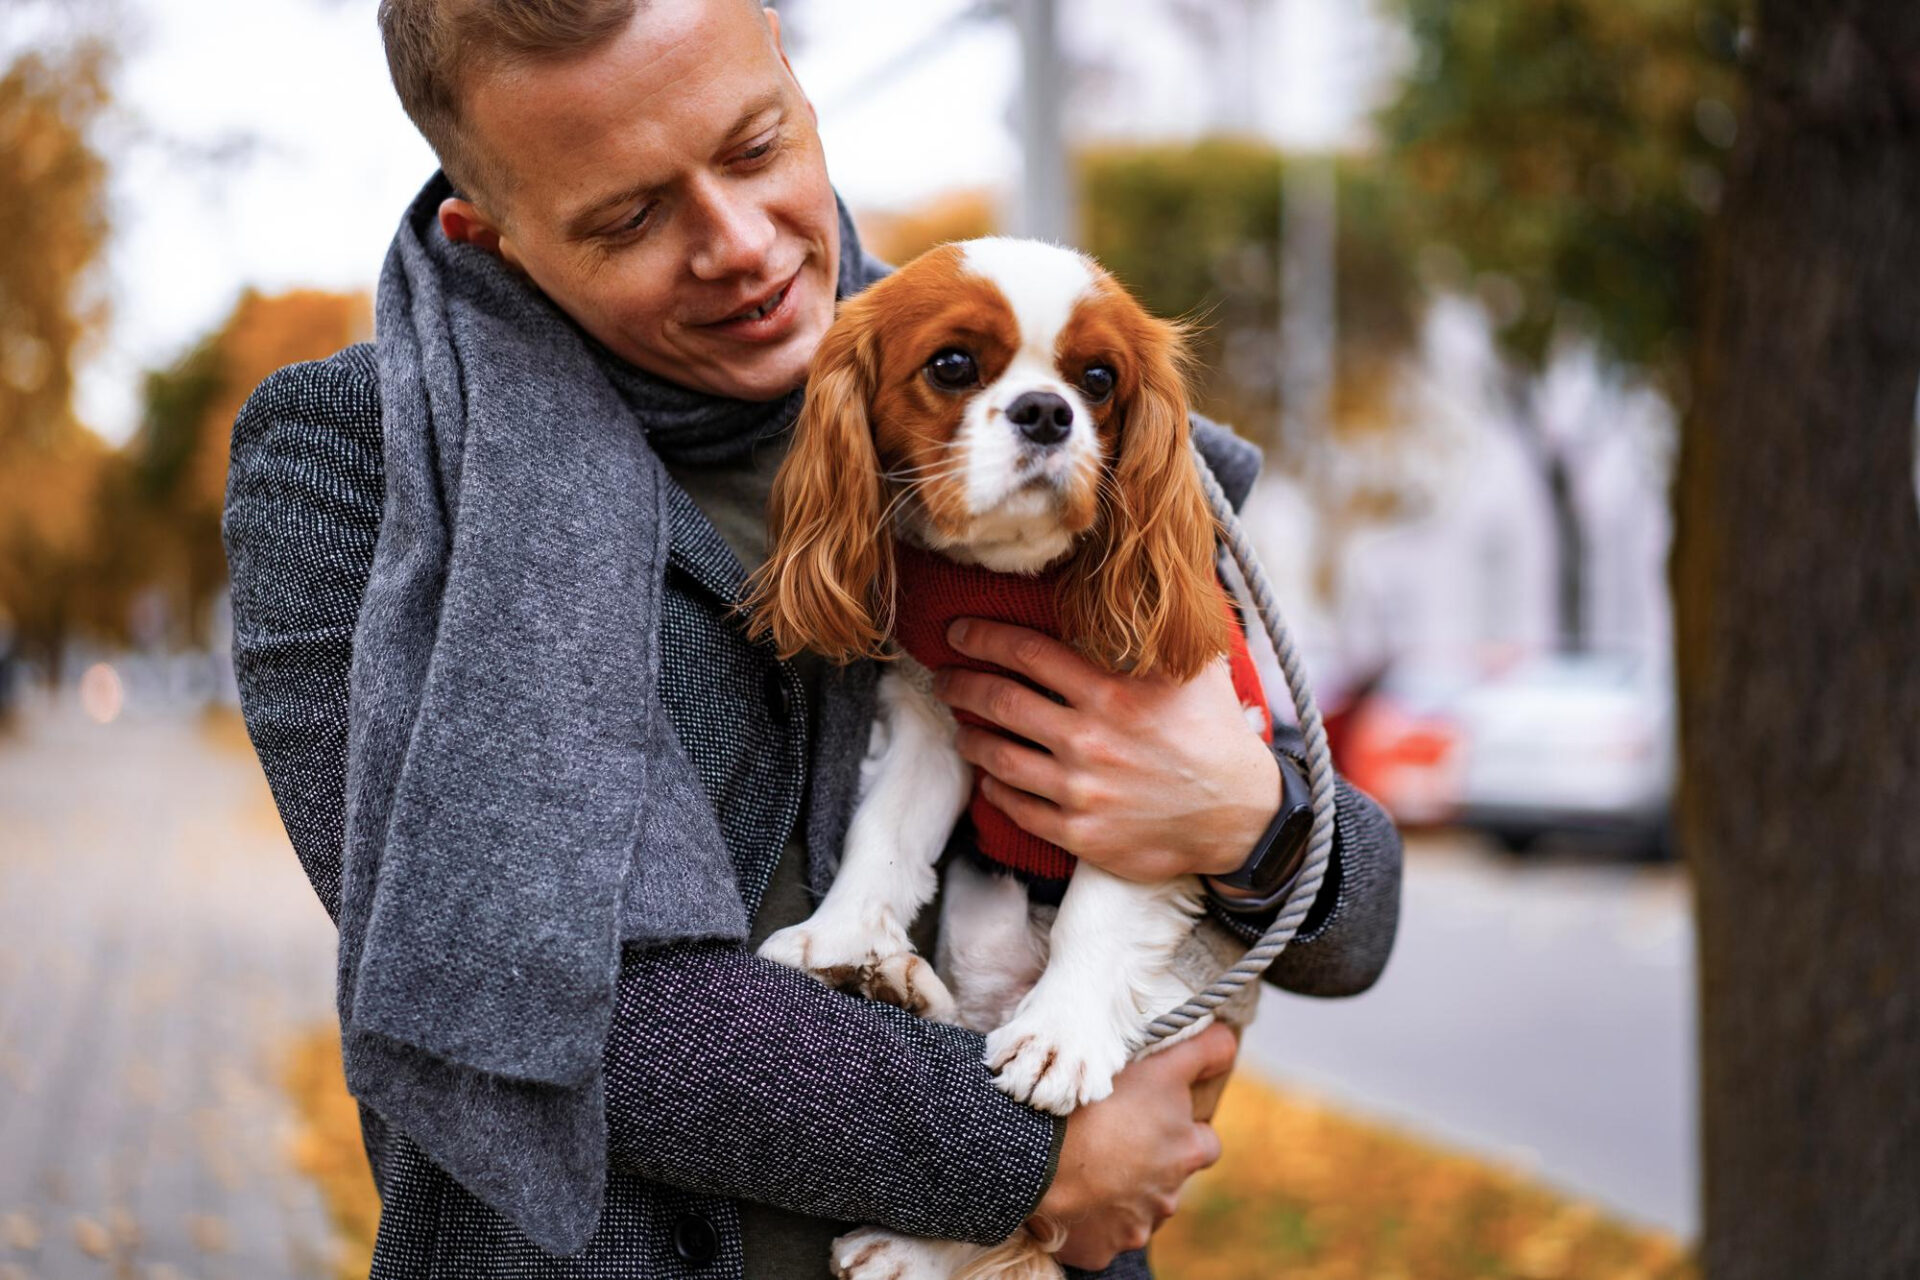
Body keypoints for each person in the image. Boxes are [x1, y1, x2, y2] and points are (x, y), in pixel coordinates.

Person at [221, 1, 1403, 1277]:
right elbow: (545, 994)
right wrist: (1045, 1157)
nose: (738, 246)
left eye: (754, 146)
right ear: (487, 234)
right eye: (629, 215)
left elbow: (1357, 922)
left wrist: (1250, 818)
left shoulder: (1004, 349)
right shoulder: (356, 464)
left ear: (790, 66)